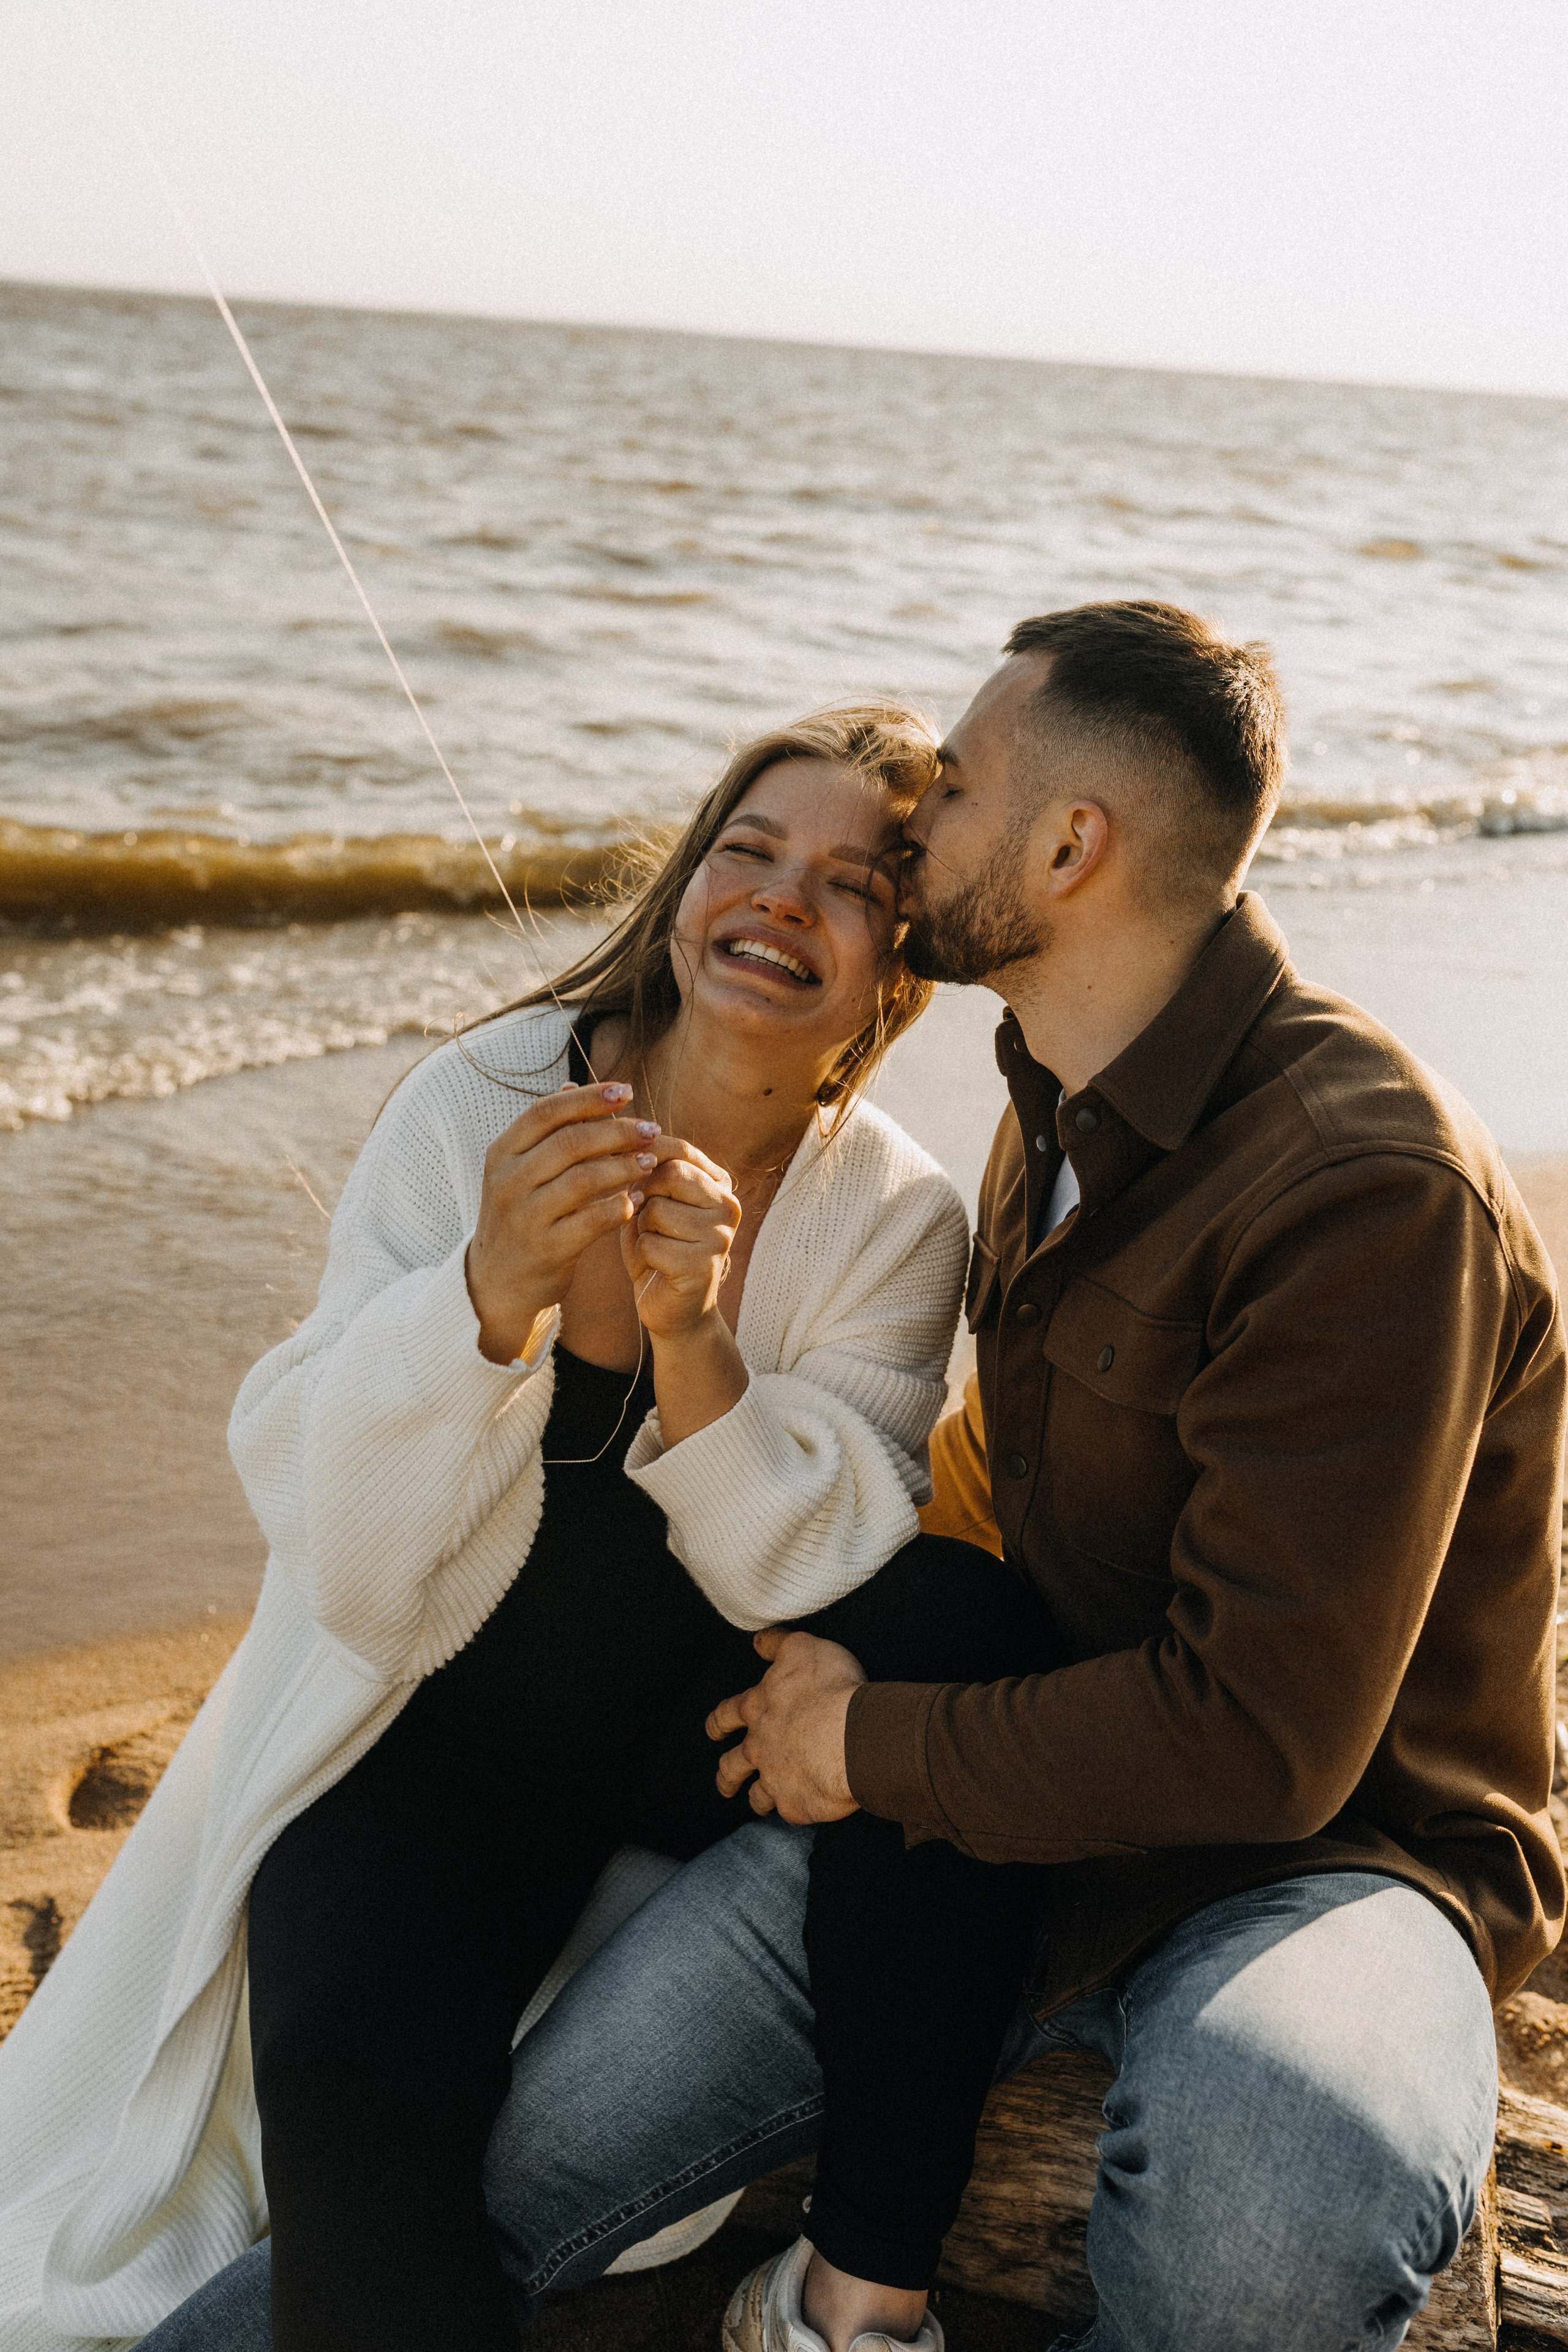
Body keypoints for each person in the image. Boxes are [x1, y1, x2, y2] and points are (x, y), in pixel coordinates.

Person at [137, 600, 1565, 2352]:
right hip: (990, 1815)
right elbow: (948, 1555)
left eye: (942, 803)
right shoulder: (1054, 1098)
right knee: (455, 2206)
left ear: (1067, 846)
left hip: (1325, 1867)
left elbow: (1270, 1745)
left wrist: (861, 1732)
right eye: (767, 855)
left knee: (1266, 2216)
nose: (907, 838)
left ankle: (849, 2308)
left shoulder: (1364, 1181)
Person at [0, 699, 1054, 2352]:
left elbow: (821, 1571)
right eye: (752, 850)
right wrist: (487, 1300)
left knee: (957, 1623)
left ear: (897, 970)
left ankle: (855, 2298)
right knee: (372, 2175)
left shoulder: (896, 1215)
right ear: (691, 882)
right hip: (420, 1752)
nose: (785, 898)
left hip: (689, 1744)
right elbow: (338, 1553)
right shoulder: (484, 1093)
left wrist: (697, 1338)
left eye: (852, 886)